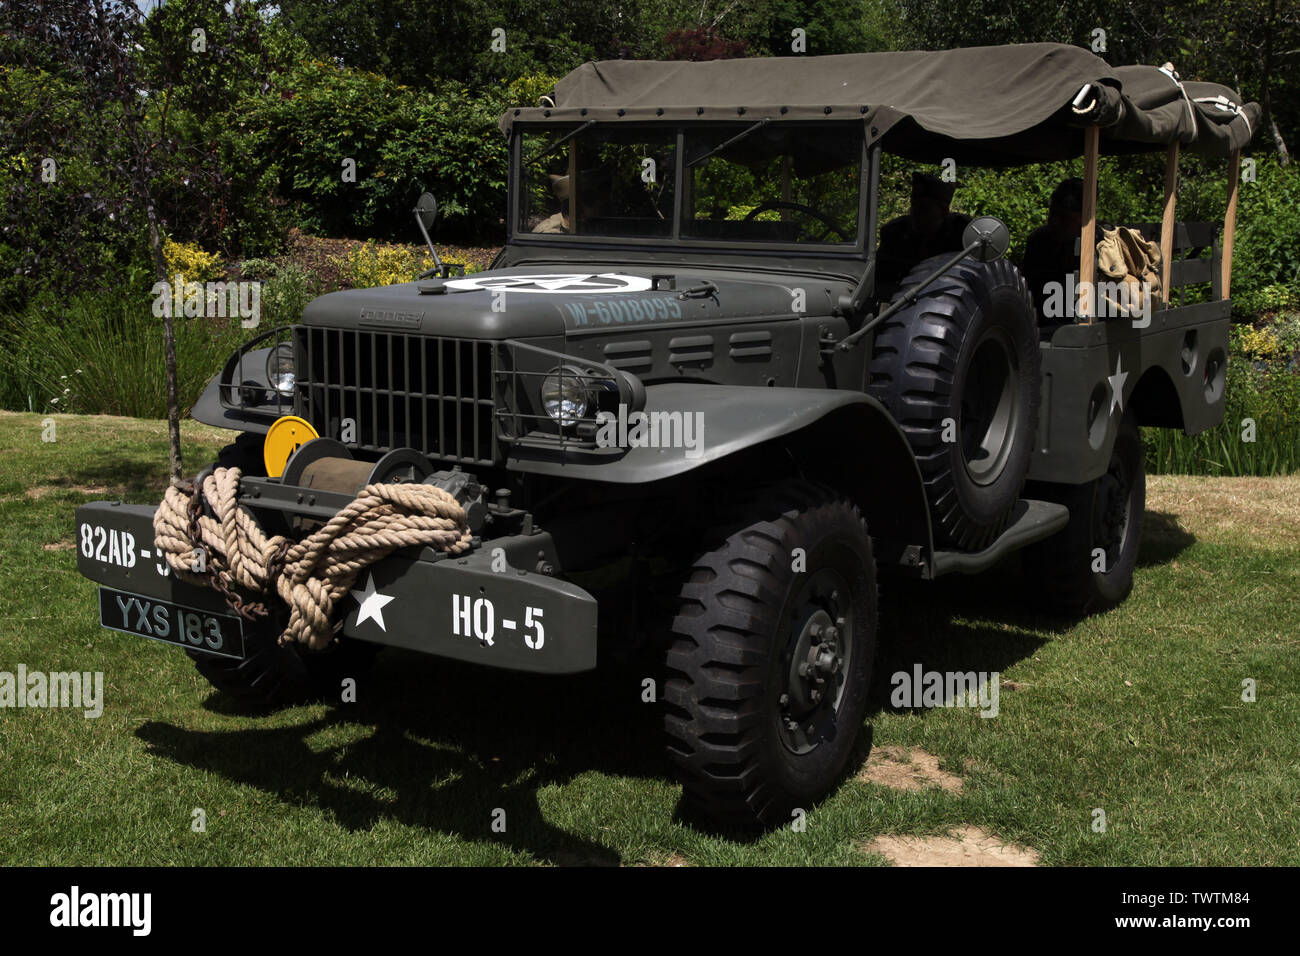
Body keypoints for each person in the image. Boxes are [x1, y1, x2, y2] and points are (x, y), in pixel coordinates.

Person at [875, 172, 971, 287]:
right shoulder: (894, 233)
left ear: (944, 211)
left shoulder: (961, 233)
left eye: (924, 208)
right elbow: (879, 279)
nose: (915, 212)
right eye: (913, 205)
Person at [1022, 178, 1084, 320]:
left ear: (1083, 219)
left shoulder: (1101, 244)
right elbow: (1028, 289)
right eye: (1052, 214)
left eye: (1064, 218)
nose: (1055, 222)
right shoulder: (1038, 240)